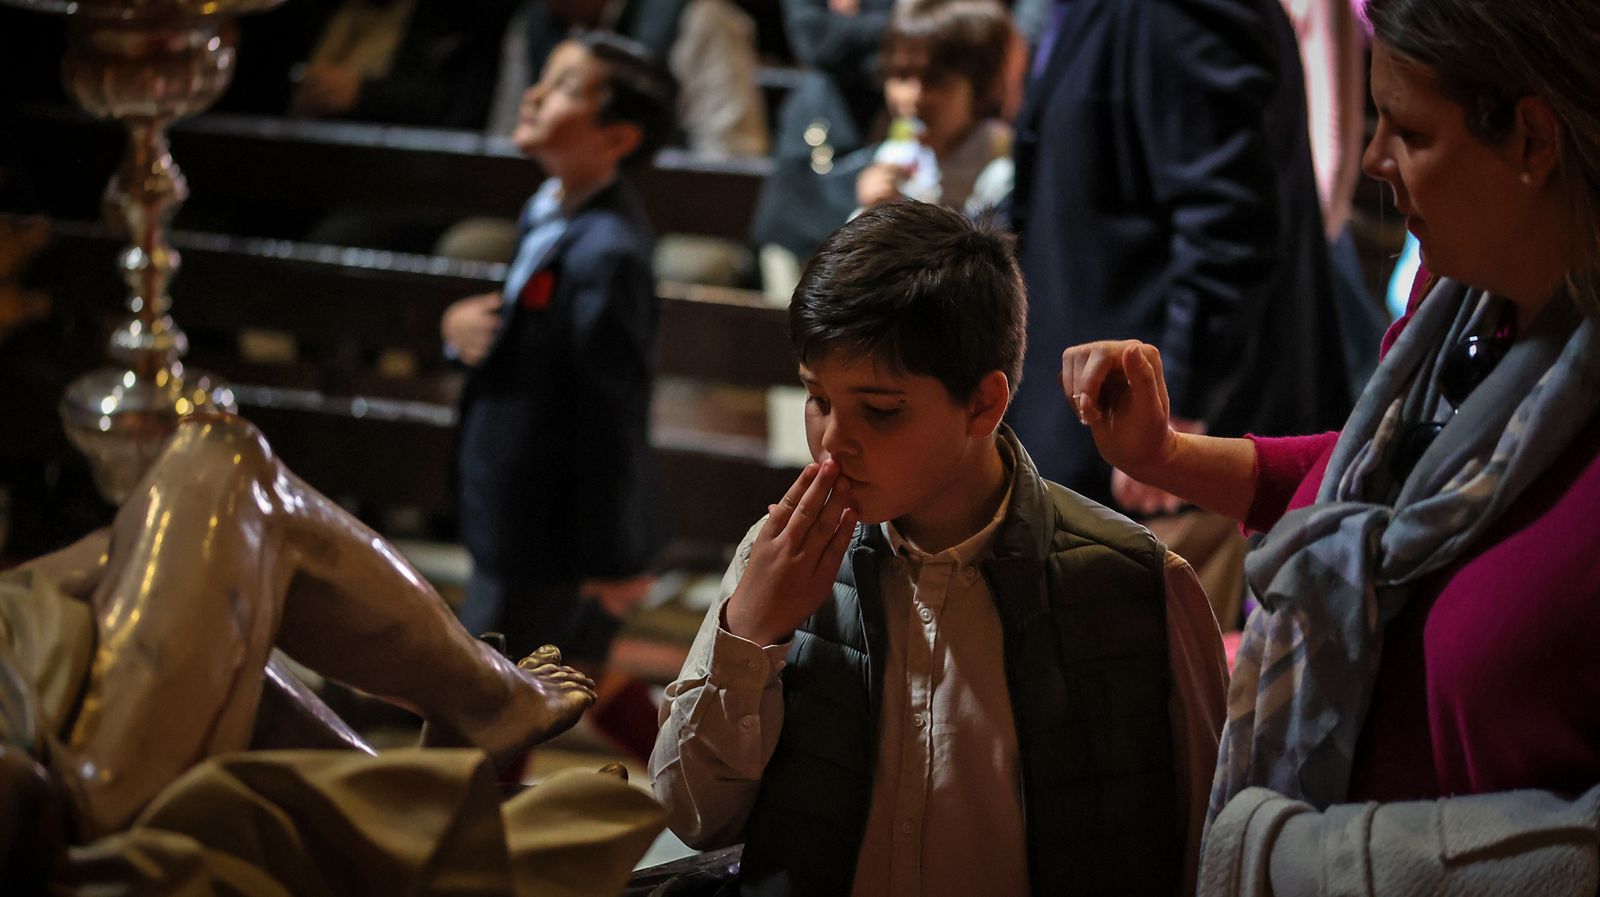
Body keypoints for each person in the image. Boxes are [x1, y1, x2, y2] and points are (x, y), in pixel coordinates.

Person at [1058, 0, 1600, 890]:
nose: (1375, 159)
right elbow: (1376, 486)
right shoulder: (1460, 300)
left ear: (1534, 141)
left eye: (1411, 131)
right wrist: (1164, 455)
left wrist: (1327, 862)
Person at [651, 201, 1228, 897]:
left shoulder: (1136, 585)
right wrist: (751, 635)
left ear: (984, 405)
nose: (833, 440)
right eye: (817, 399)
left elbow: (1208, 850)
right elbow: (691, 814)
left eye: (881, 408)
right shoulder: (779, 559)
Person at [0, 413, 664, 894]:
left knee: (174, 581)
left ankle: (409, 789)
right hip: (61, 794)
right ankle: (487, 707)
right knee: (223, 463)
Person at [1006, 0, 1352, 629]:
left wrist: (1175, 423)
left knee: (1168, 703)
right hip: (1107, 435)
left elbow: (1228, 228)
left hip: (1163, 458)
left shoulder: (1185, 9)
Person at [440, 31, 675, 763]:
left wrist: (614, 555)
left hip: (549, 528)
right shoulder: (555, 206)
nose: (535, 93)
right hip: (518, 508)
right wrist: (458, 330)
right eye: (543, 78)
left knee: (503, 699)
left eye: (566, 86)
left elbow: (610, 412)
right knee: (565, 675)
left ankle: (468, 846)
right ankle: (708, 778)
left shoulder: (608, 253)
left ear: (616, 137)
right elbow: (525, 332)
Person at [853, 0, 1020, 218]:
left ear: (981, 86)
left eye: (935, 80)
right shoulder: (896, 154)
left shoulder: (1001, 168)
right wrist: (875, 210)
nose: (914, 96)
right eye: (901, 75)